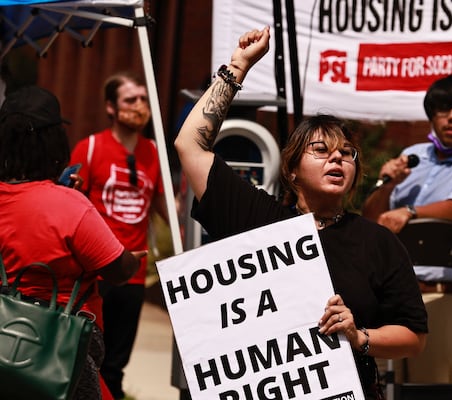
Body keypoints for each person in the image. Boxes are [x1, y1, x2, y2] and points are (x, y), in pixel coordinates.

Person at [174, 26, 427, 399]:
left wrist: (360, 337)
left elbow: (413, 337)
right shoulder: (256, 220)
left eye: (347, 153)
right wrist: (238, 67)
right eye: (322, 150)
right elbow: (189, 145)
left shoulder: (377, 242)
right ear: (291, 170)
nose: (338, 158)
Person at [362, 74, 452, 384]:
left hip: (445, 297)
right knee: (383, 389)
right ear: (432, 117)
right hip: (394, 295)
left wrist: (410, 211)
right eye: (443, 110)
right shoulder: (413, 156)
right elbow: (373, 221)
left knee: (432, 391)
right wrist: (386, 183)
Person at [0, 85, 144, 399]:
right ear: (54, 141)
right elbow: (118, 270)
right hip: (59, 357)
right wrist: (134, 257)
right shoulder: (70, 206)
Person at [69, 72, 168, 400]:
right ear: (111, 108)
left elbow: (163, 206)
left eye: (142, 99)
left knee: (115, 365)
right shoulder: (91, 147)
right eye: (130, 100)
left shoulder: (153, 153)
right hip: (95, 273)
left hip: (134, 275)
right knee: (83, 360)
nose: (139, 106)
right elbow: (70, 206)